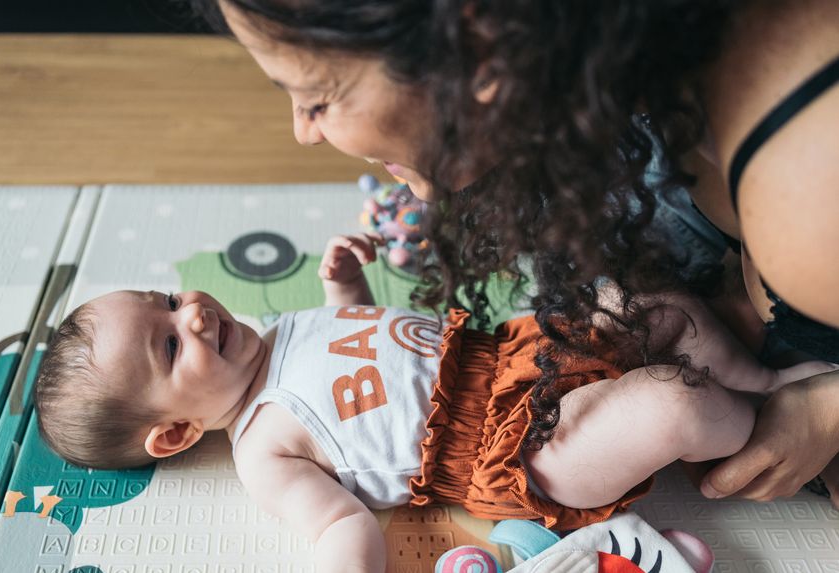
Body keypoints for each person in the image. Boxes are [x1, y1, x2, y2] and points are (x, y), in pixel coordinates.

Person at [188, 0, 839, 505]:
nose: (304, 133)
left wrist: (822, 412)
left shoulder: (805, 204)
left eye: (317, 98)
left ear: (480, 48)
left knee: (686, 394)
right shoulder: (606, 85)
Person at [34, 233, 834, 571]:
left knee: (644, 298)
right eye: (172, 345)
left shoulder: (277, 327)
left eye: (167, 297)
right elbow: (339, 524)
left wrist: (342, 284)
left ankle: (766, 386)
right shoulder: (263, 446)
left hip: (521, 350)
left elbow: (357, 337)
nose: (195, 311)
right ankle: (761, 429)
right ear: (174, 431)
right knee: (670, 404)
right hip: (525, 451)